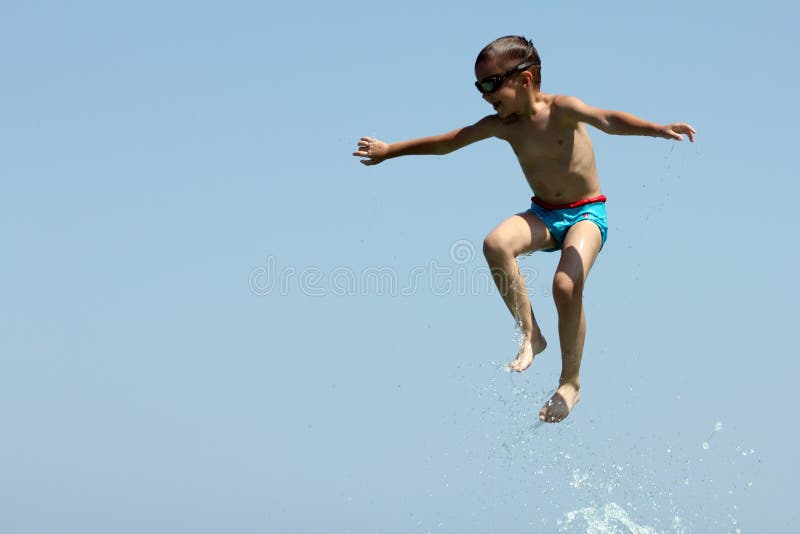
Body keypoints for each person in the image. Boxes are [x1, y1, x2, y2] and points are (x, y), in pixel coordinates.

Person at [352, 35, 695, 423]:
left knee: (565, 286)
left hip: (586, 216)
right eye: (478, 86)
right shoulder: (504, 126)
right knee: (495, 243)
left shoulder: (563, 109)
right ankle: (531, 333)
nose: (484, 95)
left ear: (526, 79)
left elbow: (608, 120)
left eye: (491, 84)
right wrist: (389, 150)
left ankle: (571, 383)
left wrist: (657, 128)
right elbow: (449, 142)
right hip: (545, 215)